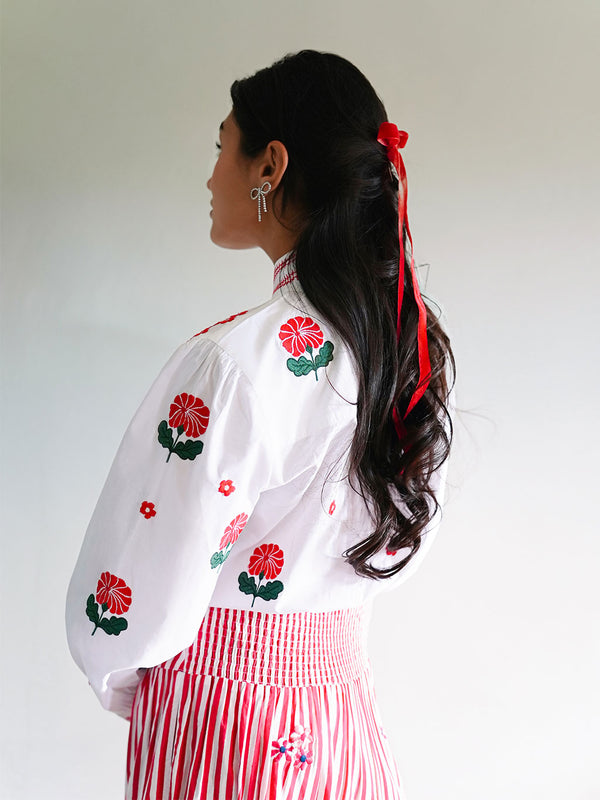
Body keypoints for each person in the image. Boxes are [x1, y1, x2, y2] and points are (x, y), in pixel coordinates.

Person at [66, 49, 455, 800]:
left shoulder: (235, 363)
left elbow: (129, 592)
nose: (212, 175)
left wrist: (128, 681)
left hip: (224, 728)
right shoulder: (405, 350)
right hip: (341, 718)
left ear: (269, 166)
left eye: (223, 146)